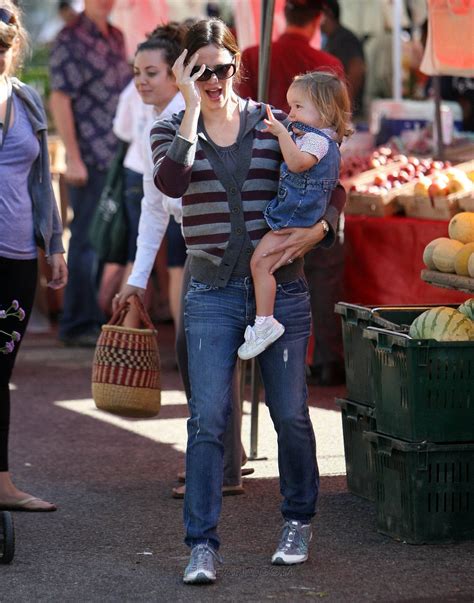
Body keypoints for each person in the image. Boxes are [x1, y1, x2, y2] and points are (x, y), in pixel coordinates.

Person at [151, 18, 345, 584]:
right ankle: (202, 543)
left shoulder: (274, 122)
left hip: (281, 291)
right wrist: (189, 108)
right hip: (210, 291)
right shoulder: (171, 128)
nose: (214, 79)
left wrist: (324, 230)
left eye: (223, 67)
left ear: (239, 65)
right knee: (208, 420)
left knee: (290, 415)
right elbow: (170, 185)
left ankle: (298, 520)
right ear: (186, 71)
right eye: (200, 70)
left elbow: (333, 186)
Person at [112, 22, 249, 500]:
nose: (141, 81)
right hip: (196, 243)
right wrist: (136, 277)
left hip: (223, 248)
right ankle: (227, 457)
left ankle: (221, 465)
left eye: (152, 72)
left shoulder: (197, 113)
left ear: (175, 74)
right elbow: (156, 207)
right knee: (200, 355)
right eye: (136, 72)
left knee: (203, 356)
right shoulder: (164, 123)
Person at [238, 0, 347, 386]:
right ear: (319, 18)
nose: (290, 110)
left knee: (267, 267)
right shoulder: (326, 64)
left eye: (297, 105)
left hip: (285, 209)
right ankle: (323, 360)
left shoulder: (254, 56)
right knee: (313, 279)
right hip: (297, 210)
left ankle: (268, 336)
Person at [0, 1, 68, 512]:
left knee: (0, 373)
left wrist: (54, 244)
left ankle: (2, 486)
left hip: (18, 255)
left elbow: (41, 180)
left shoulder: (27, 100)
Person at [49, 0, 130, 347]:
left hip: (117, 156)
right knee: (85, 240)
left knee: (107, 240)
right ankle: (76, 322)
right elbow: (60, 99)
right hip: (89, 156)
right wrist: (74, 157)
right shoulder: (69, 38)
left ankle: (94, 318)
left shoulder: (117, 36)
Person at [320, 0, 366, 118]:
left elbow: (357, 70)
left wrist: (345, 108)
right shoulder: (331, 38)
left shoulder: (345, 38)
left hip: (345, 115)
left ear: (328, 13)